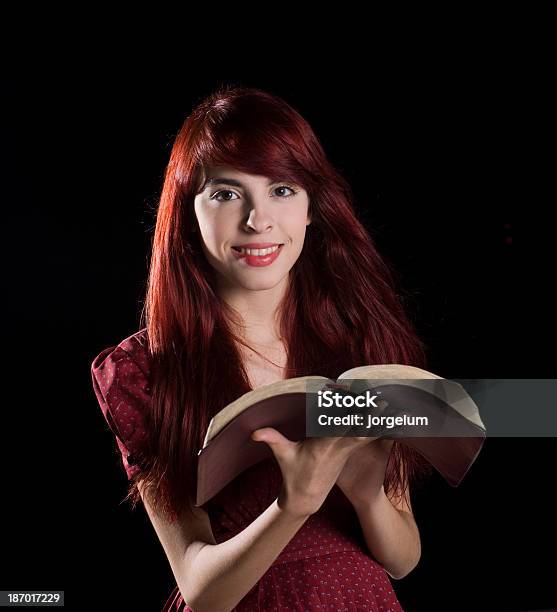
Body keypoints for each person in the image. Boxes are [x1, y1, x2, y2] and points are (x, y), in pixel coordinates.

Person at [91, 85, 433, 611]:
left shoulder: (360, 344)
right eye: (226, 194)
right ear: (188, 215)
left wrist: (368, 497)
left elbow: (403, 559)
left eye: (282, 189)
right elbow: (201, 590)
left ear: (313, 207)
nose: (258, 220)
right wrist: (292, 505)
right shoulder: (145, 372)